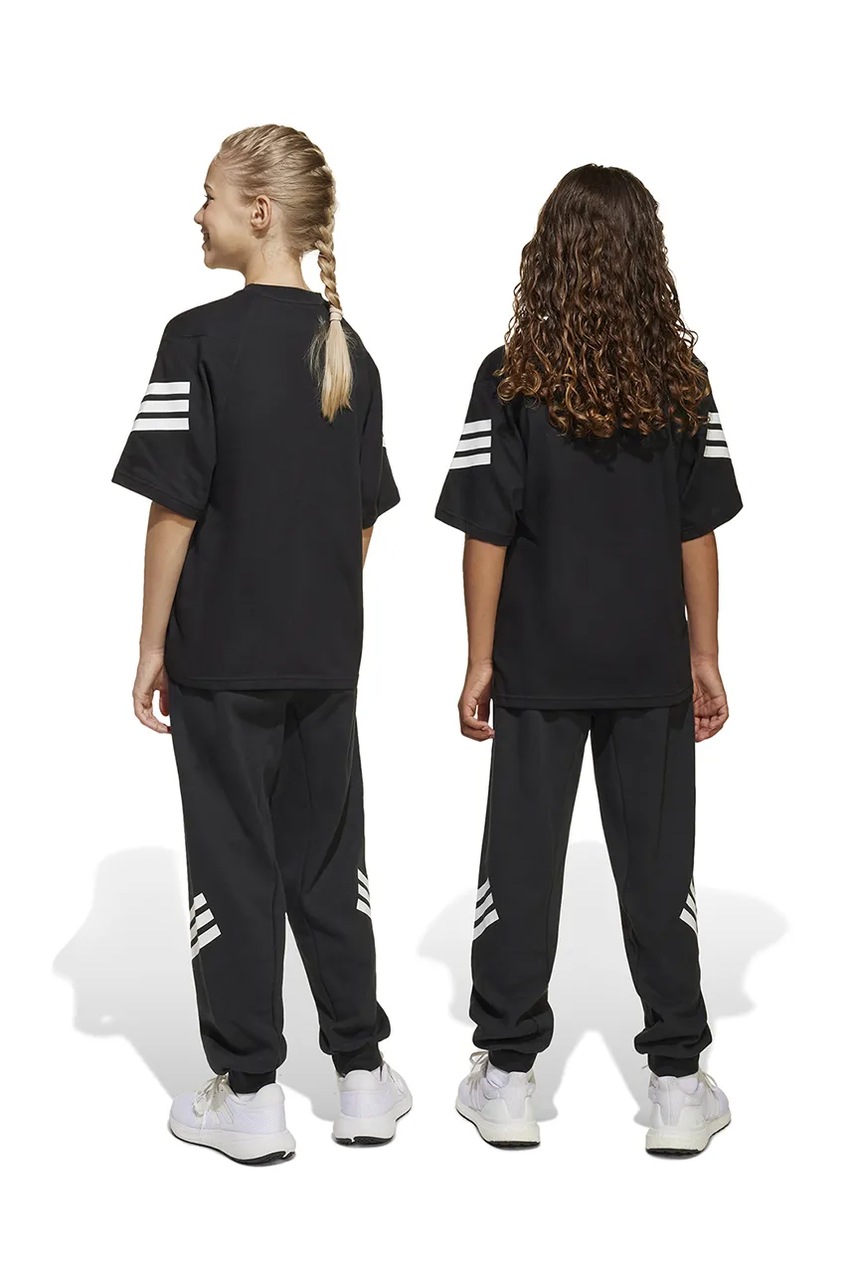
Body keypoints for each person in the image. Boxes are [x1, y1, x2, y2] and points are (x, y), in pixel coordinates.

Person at [111, 124, 411, 1164]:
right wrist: (318, 613)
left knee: (234, 861)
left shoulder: (196, 339)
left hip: (223, 655)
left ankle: (248, 1092)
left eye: (207, 194)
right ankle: (362, 1075)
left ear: (258, 211)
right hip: (325, 656)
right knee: (329, 860)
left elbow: (173, 507)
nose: (195, 212)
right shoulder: (352, 351)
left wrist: (152, 640)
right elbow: (362, 519)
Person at [434, 163, 743, 1156]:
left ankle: (507, 1076)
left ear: (549, 254)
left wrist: (479, 658)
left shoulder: (509, 376)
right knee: (659, 868)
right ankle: (678, 1082)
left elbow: (485, 531)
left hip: (540, 661)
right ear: (648, 257)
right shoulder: (680, 382)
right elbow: (698, 532)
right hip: (649, 661)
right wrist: (705, 653)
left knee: (519, 864)